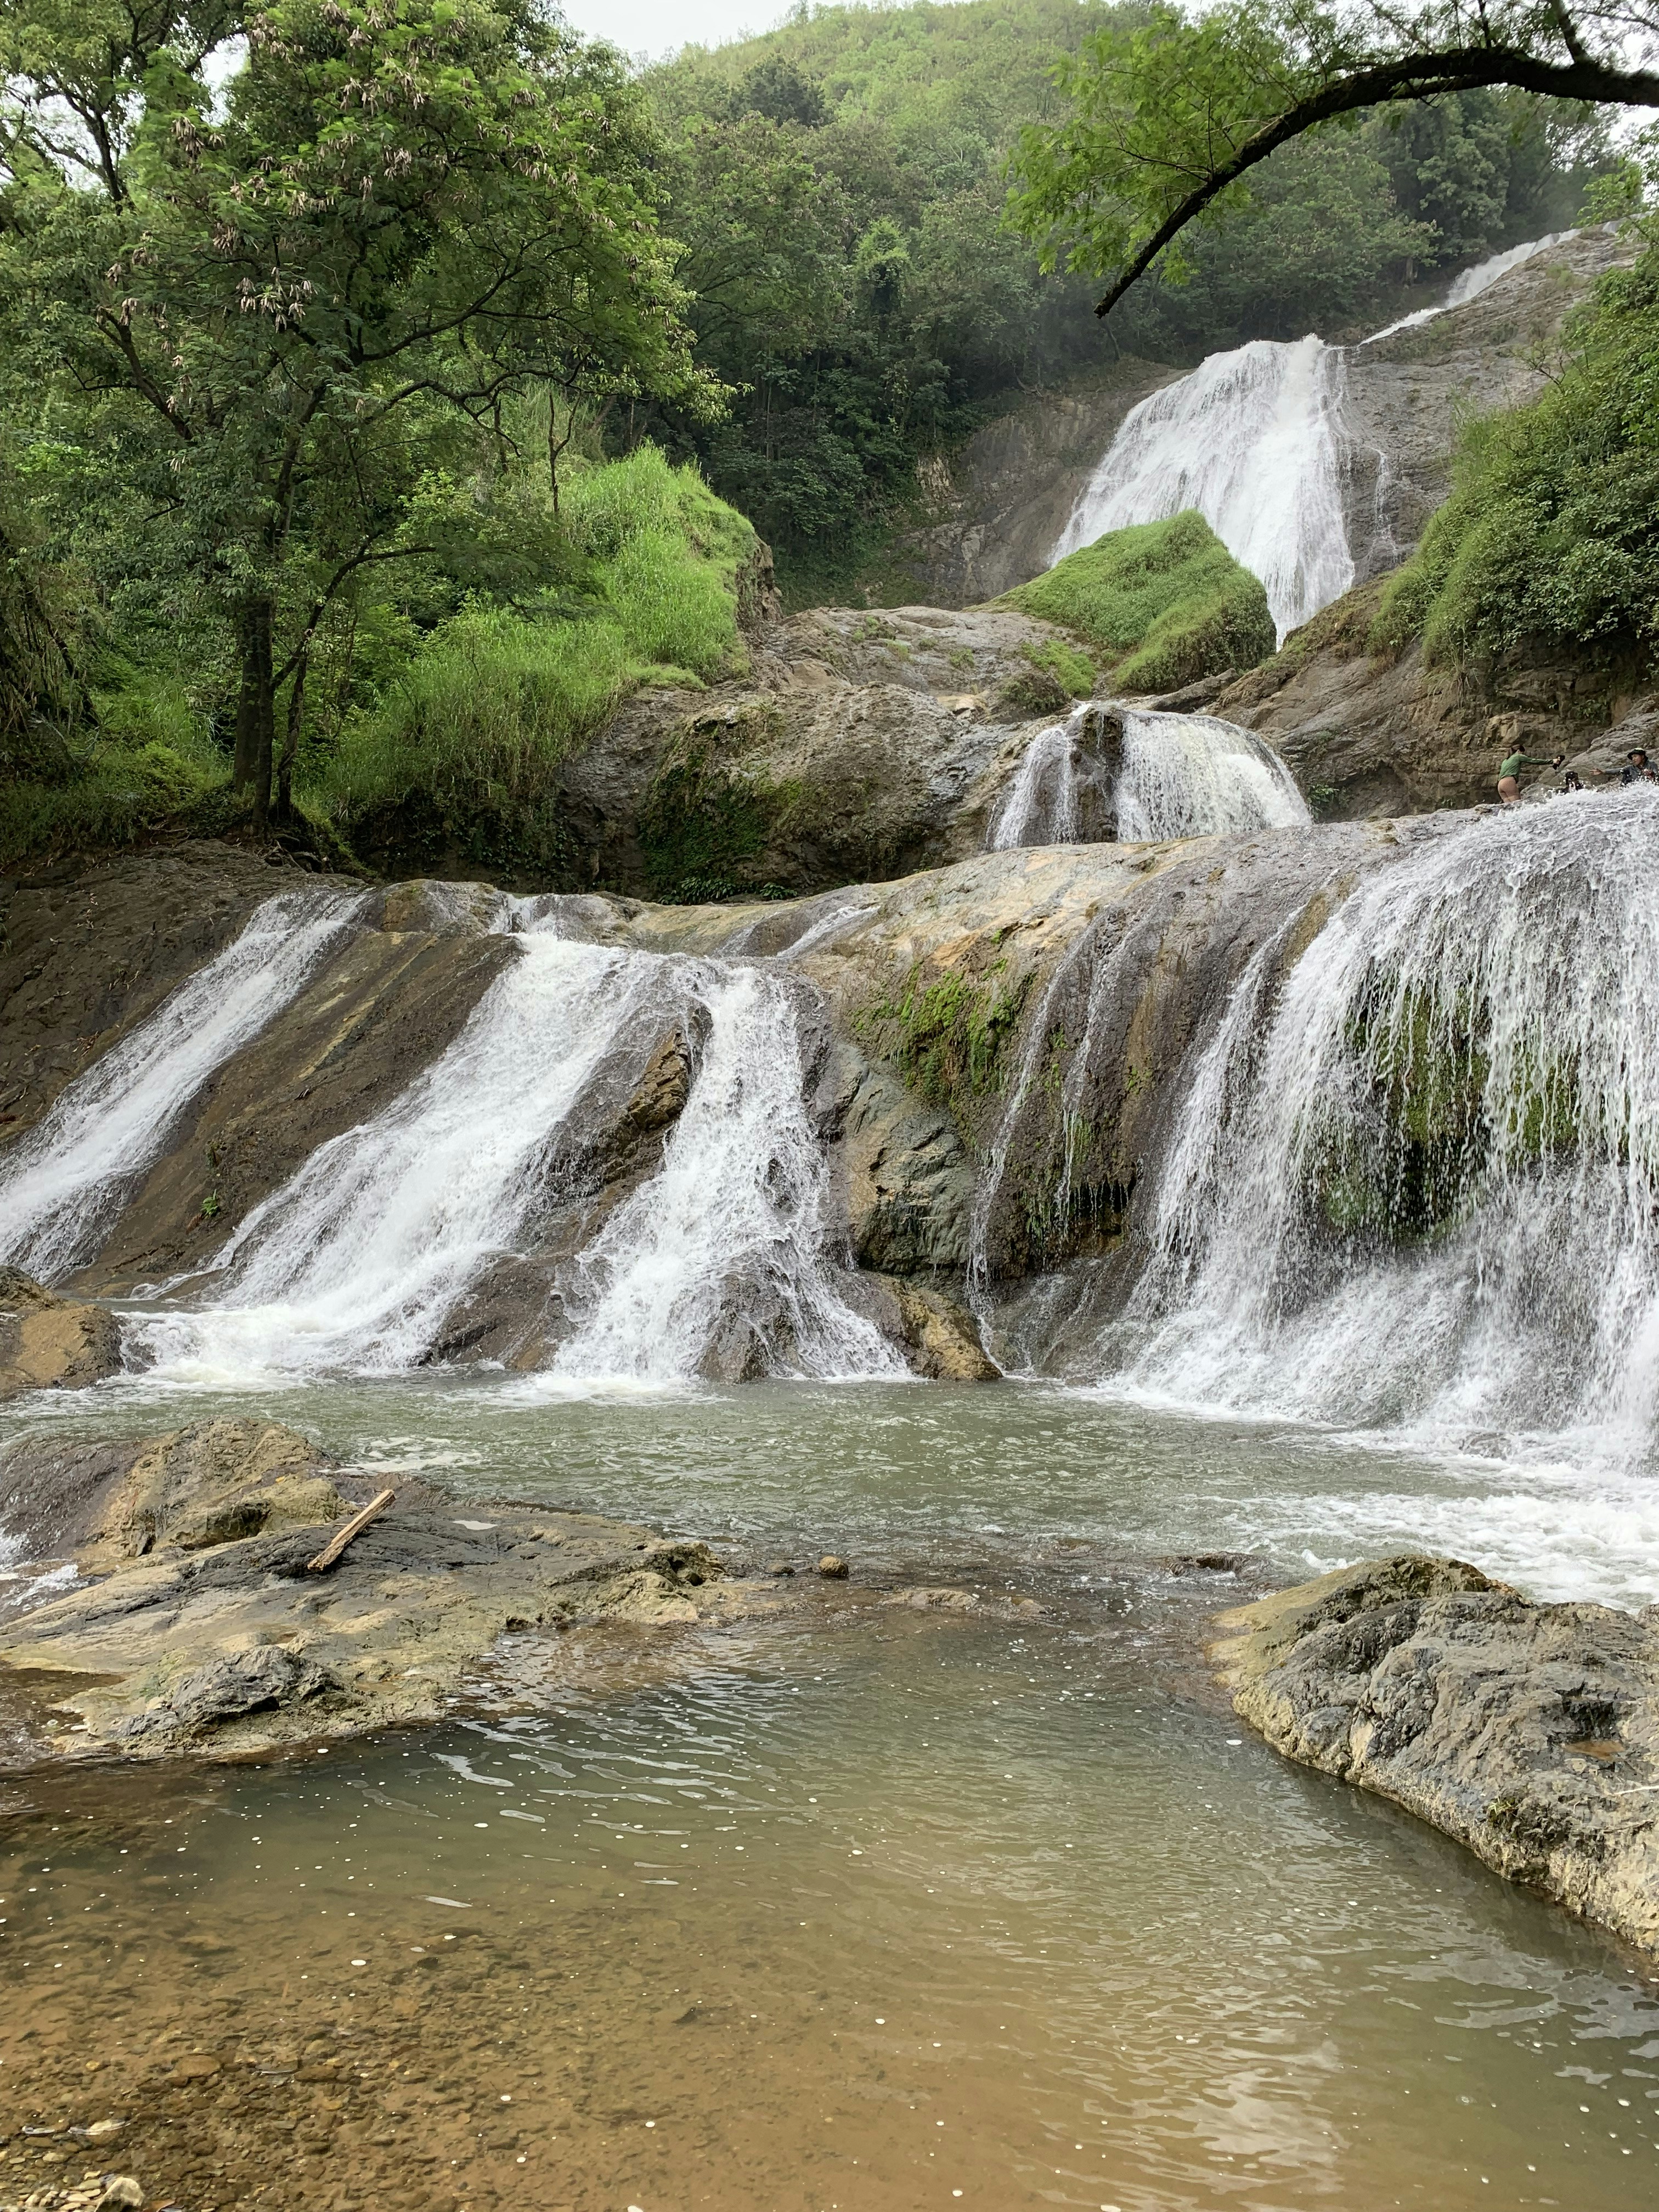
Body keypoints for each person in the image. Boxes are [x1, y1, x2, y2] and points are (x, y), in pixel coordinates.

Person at [1496, 745, 1565, 802]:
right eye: (1522, 753)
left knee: (1508, 808)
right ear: (1518, 751)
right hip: (1508, 782)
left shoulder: (1505, 761)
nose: (1523, 755)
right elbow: (1533, 761)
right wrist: (1552, 761)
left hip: (1500, 785)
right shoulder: (1518, 756)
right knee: (1516, 805)